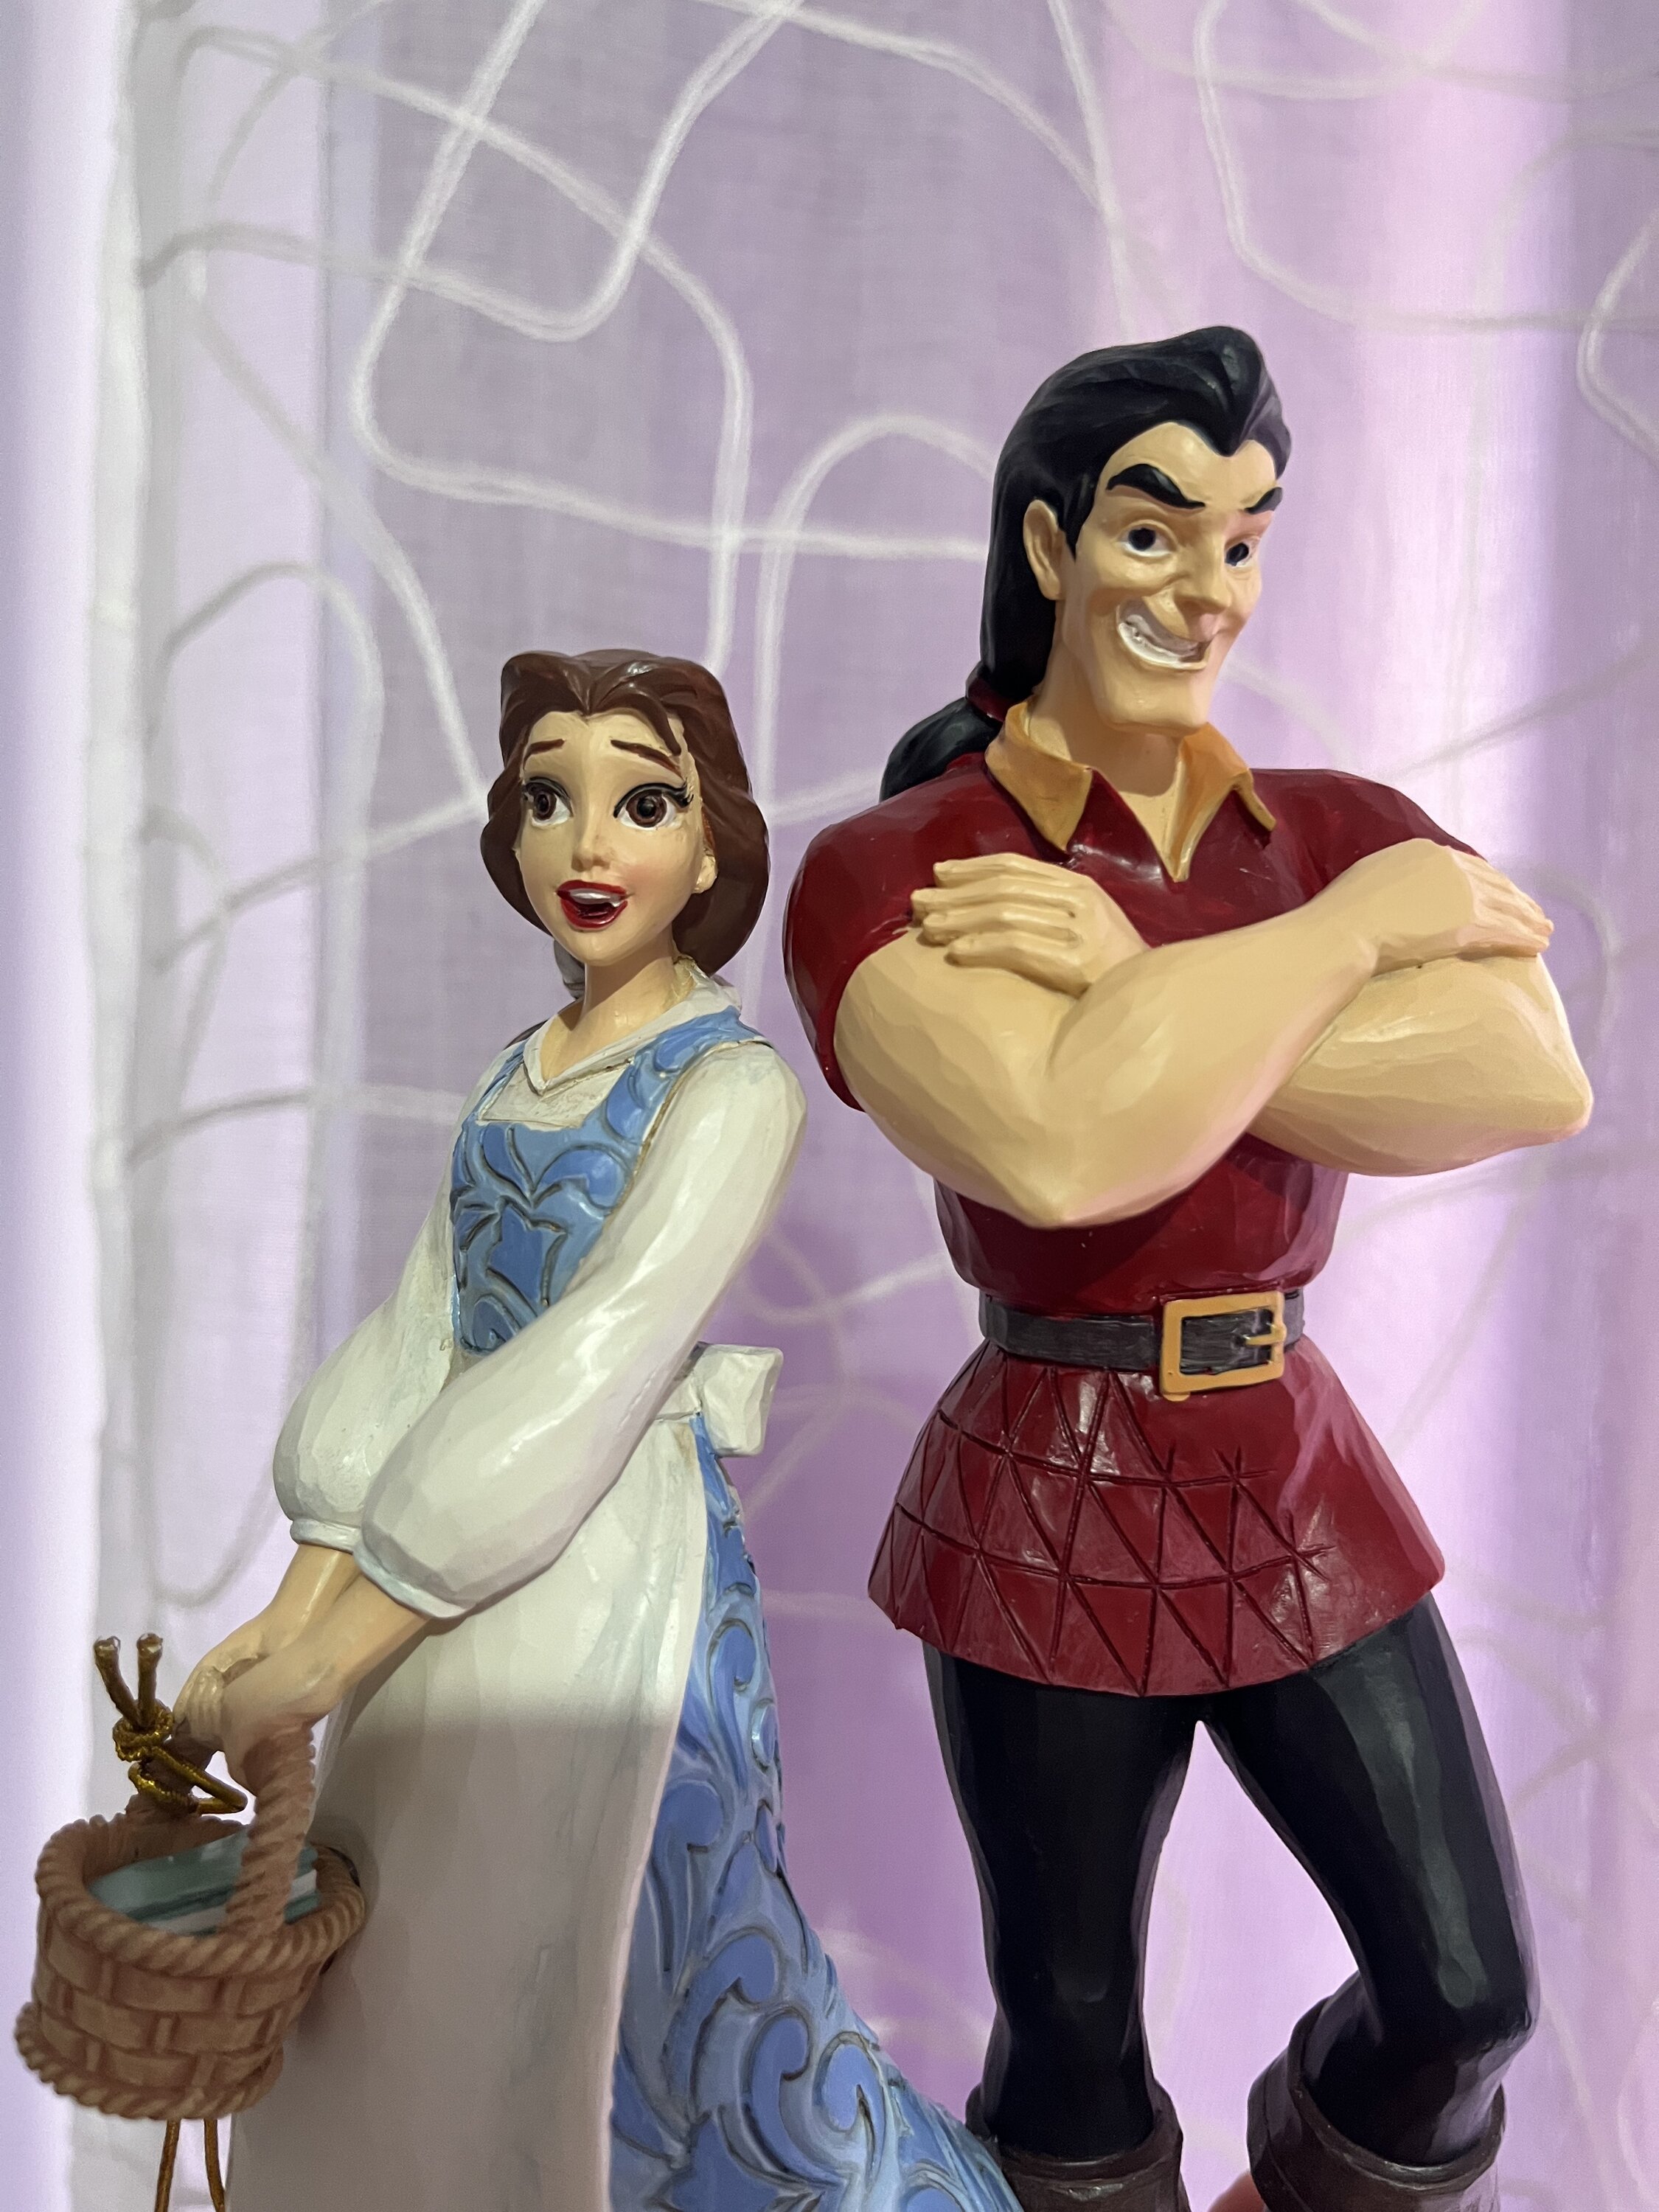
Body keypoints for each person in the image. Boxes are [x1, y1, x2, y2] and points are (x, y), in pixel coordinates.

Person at [783, 329, 1593, 2212]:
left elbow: (1523, 1073)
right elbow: (1062, 1149)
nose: (1207, 588)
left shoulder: (1339, 831)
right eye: (1156, 532)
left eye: (1244, 538)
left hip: (1291, 1457)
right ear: (1050, 546)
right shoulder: (900, 862)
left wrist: (1148, 986)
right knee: (1070, 2038)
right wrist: (1350, 947)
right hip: (1051, 1471)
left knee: (1463, 2000)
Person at [176, 650, 1013, 2212]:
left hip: (593, 1570)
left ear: (709, 845)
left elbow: (598, 1358)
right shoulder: (515, 1072)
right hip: (429, 1582)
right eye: (548, 798)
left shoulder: (731, 1088)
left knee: (583, 1956)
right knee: (396, 1947)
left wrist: (333, 1651)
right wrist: (288, 1617)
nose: (587, 843)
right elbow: (414, 1337)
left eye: (642, 802)